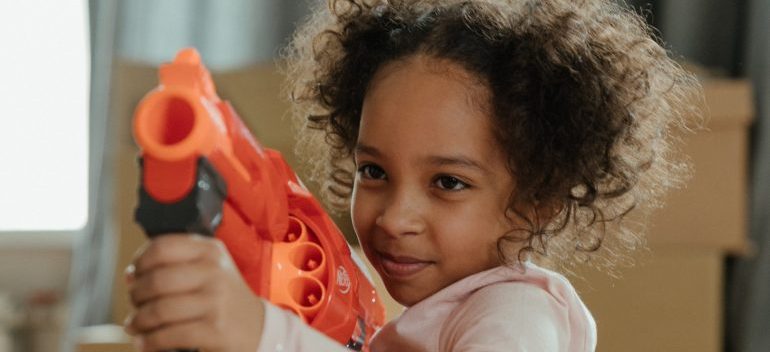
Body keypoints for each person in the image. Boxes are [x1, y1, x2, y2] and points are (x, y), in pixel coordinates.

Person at [123, 0, 701, 351]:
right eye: (373, 170)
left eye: (448, 182)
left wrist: (261, 335)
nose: (395, 217)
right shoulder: (431, 312)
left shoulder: (517, 313)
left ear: (540, 200)